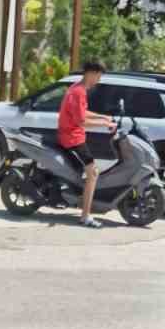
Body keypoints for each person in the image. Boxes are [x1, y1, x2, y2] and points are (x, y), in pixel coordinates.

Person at [57, 60, 116, 228]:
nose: (99, 80)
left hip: (73, 136)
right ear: (91, 73)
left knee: (91, 172)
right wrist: (105, 125)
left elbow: (82, 112)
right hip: (72, 138)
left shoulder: (78, 88)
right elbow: (81, 121)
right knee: (93, 173)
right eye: (98, 76)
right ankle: (85, 216)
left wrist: (103, 117)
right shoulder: (78, 92)